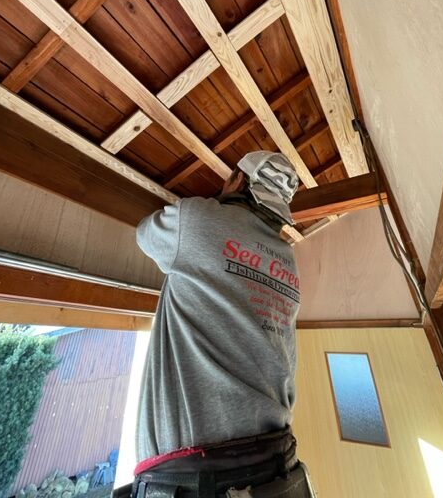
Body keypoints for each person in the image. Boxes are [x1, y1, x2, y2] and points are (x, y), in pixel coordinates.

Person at [125, 151, 314, 498]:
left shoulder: (198, 218)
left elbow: (144, 233)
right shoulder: (288, 259)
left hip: (198, 471)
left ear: (237, 180)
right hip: (274, 455)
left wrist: (218, 203)